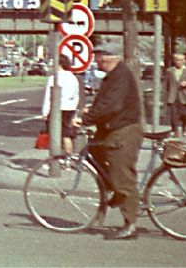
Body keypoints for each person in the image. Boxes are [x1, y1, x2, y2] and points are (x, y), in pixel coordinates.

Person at [74, 41, 143, 240]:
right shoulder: (115, 75)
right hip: (113, 128)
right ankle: (115, 190)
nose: (95, 61)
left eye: (97, 57)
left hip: (123, 131)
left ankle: (130, 224)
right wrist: (91, 111)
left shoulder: (120, 76)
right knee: (94, 150)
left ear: (105, 58)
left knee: (123, 175)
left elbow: (112, 105)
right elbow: (106, 102)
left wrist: (86, 119)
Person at [40, 54, 80, 154]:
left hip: (56, 109)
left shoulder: (54, 78)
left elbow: (49, 97)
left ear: (60, 64)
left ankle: (54, 159)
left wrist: (45, 112)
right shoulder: (73, 78)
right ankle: (68, 159)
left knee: (54, 135)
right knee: (66, 135)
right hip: (70, 109)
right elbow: (76, 95)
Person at [164, 53, 186, 137]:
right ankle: (175, 131)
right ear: (174, 61)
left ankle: (184, 126)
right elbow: (166, 84)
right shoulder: (170, 71)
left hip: (184, 96)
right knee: (174, 114)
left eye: (181, 60)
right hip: (173, 96)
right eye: (177, 60)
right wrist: (165, 95)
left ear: (184, 61)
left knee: (184, 114)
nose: (179, 62)